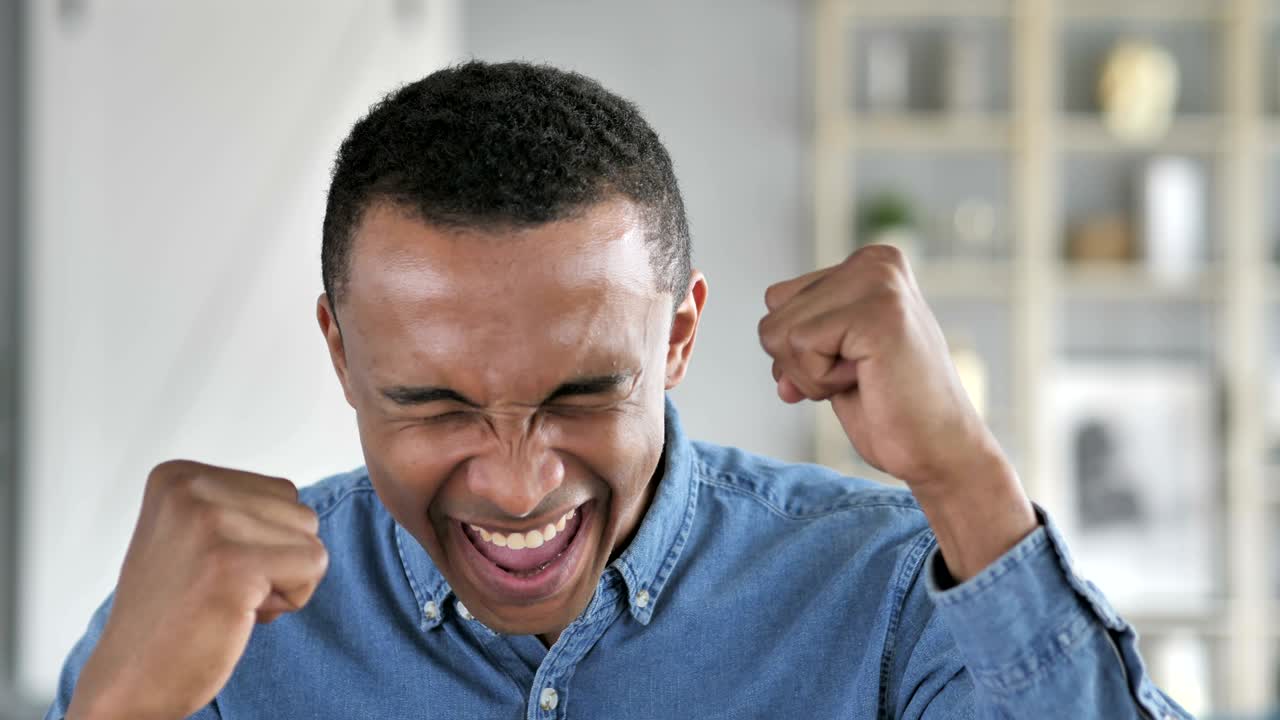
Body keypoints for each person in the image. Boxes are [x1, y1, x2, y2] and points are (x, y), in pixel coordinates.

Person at [47, 61, 1190, 719]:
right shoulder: (202, 638)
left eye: (582, 394)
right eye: (435, 407)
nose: (514, 481)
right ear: (341, 355)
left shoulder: (889, 595)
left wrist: (963, 480)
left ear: (681, 336)